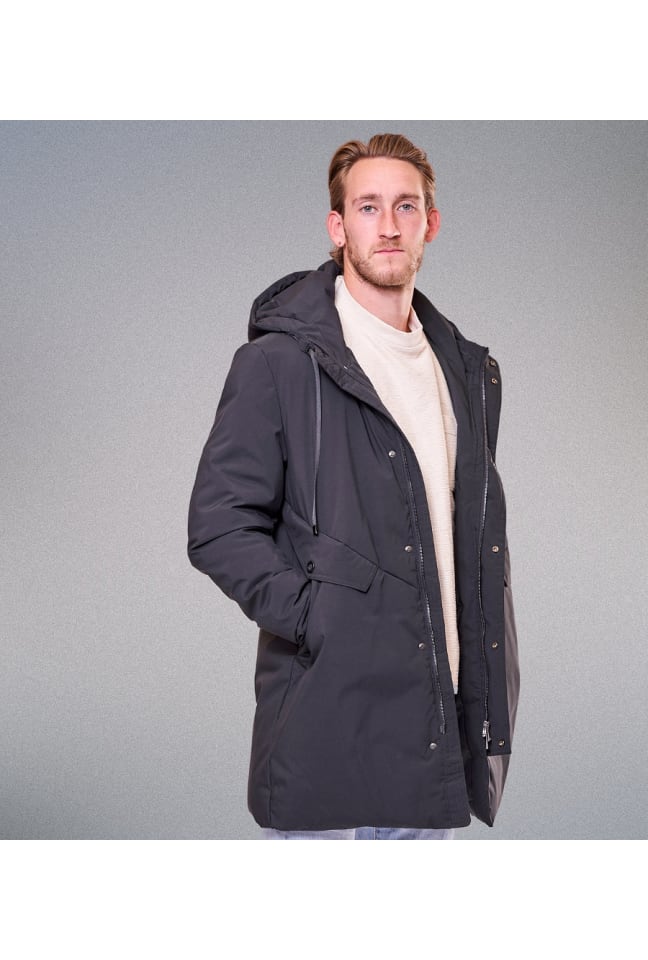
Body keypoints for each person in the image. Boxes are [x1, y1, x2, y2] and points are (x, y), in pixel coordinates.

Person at [187, 133, 520, 840]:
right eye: (368, 207)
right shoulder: (279, 364)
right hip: (328, 734)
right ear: (338, 227)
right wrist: (321, 617)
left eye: (406, 206)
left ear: (432, 223)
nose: (388, 225)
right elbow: (218, 525)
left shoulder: (463, 372)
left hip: (434, 739)